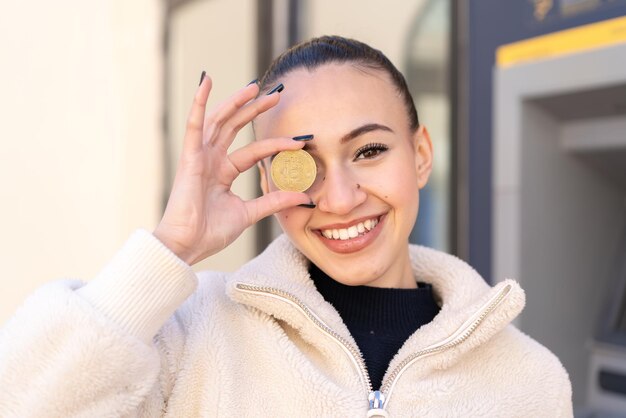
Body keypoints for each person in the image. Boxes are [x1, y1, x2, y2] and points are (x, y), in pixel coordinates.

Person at [0, 36, 572, 417]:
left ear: (421, 154)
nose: (341, 198)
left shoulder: (531, 380)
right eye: (301, 164)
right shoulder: (191, 336)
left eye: (369, 150)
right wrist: (170, 247)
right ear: (270, 180)